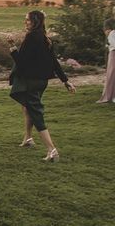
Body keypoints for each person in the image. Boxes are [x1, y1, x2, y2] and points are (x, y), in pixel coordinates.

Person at [9, 10, 75, 162]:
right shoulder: (46, 38)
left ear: (35, 22)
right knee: (28, 107)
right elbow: (54, 62)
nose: (25, 22)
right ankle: (28, 138)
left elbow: (22, 62)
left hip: (31, 81)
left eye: (27, 20)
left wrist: (12, 48)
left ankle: (52, 150)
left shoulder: (31, 37)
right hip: (41, 82)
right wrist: (65, 81)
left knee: (36, 114)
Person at [97, 18, 115, 103]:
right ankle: (111, 95)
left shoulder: (112, 32)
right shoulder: (111, 32)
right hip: (113, 53)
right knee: (112, 74)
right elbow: (111, 42)